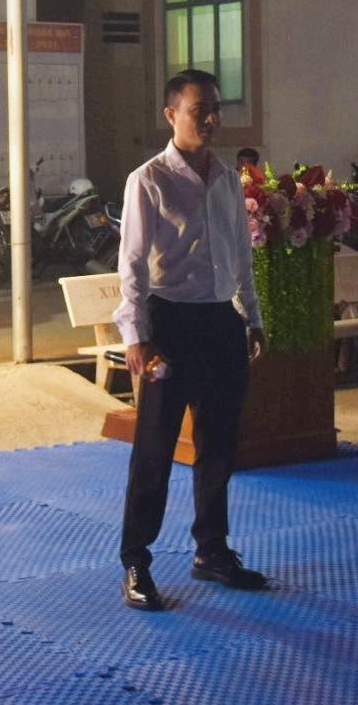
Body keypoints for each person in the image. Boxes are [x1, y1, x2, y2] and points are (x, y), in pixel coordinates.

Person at [113, 69, 268, 611]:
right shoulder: (149, 180)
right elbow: (132, 265)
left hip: (221, 322)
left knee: (218, 445)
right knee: (154, 448)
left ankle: (212, 550)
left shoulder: (227, 179)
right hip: (169, 324)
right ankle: (136, 560)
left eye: (215, 109)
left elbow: (241, 254)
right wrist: (136, 336)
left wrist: (252, 318)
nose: (211, 119)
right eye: (199, 110)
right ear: (171, 114)